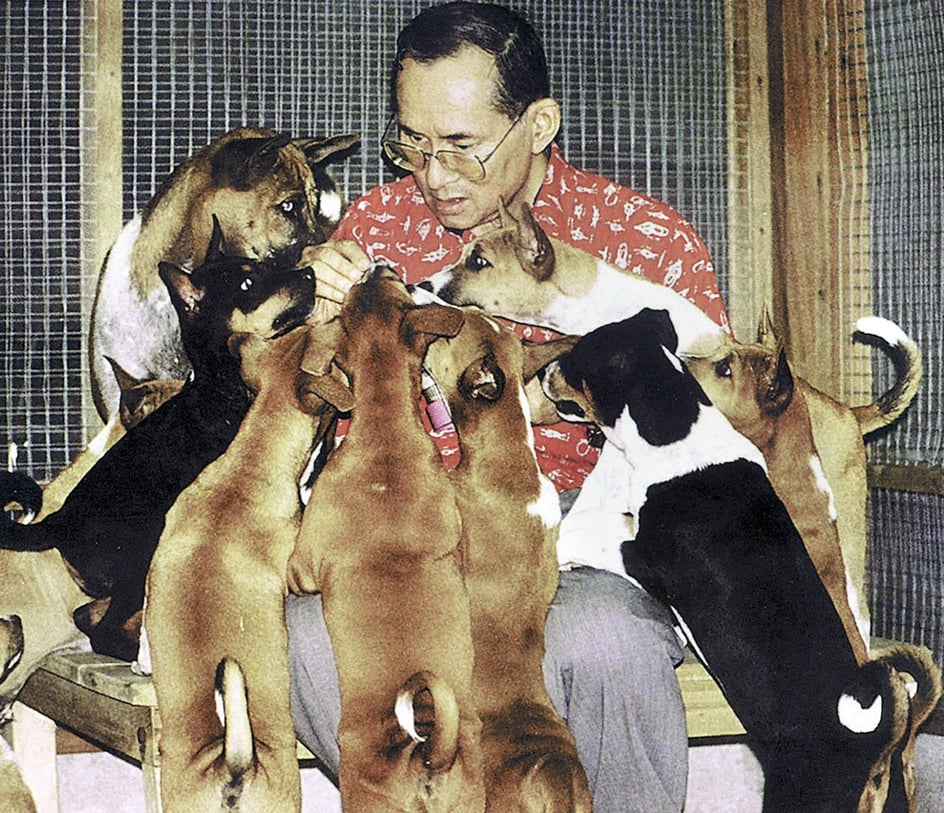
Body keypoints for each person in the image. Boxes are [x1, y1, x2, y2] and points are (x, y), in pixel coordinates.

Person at [289, 3, 730, 811]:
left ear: (538, 125)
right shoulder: (375, 227)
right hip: (406, 538)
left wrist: (569, 398)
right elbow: (304, 413)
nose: (434, 175)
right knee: (306, 640)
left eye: (461, 145)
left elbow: (717, 423)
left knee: (605, 642)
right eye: (412, 143)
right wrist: (311, 319)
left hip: (586, 539)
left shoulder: (643, 239)